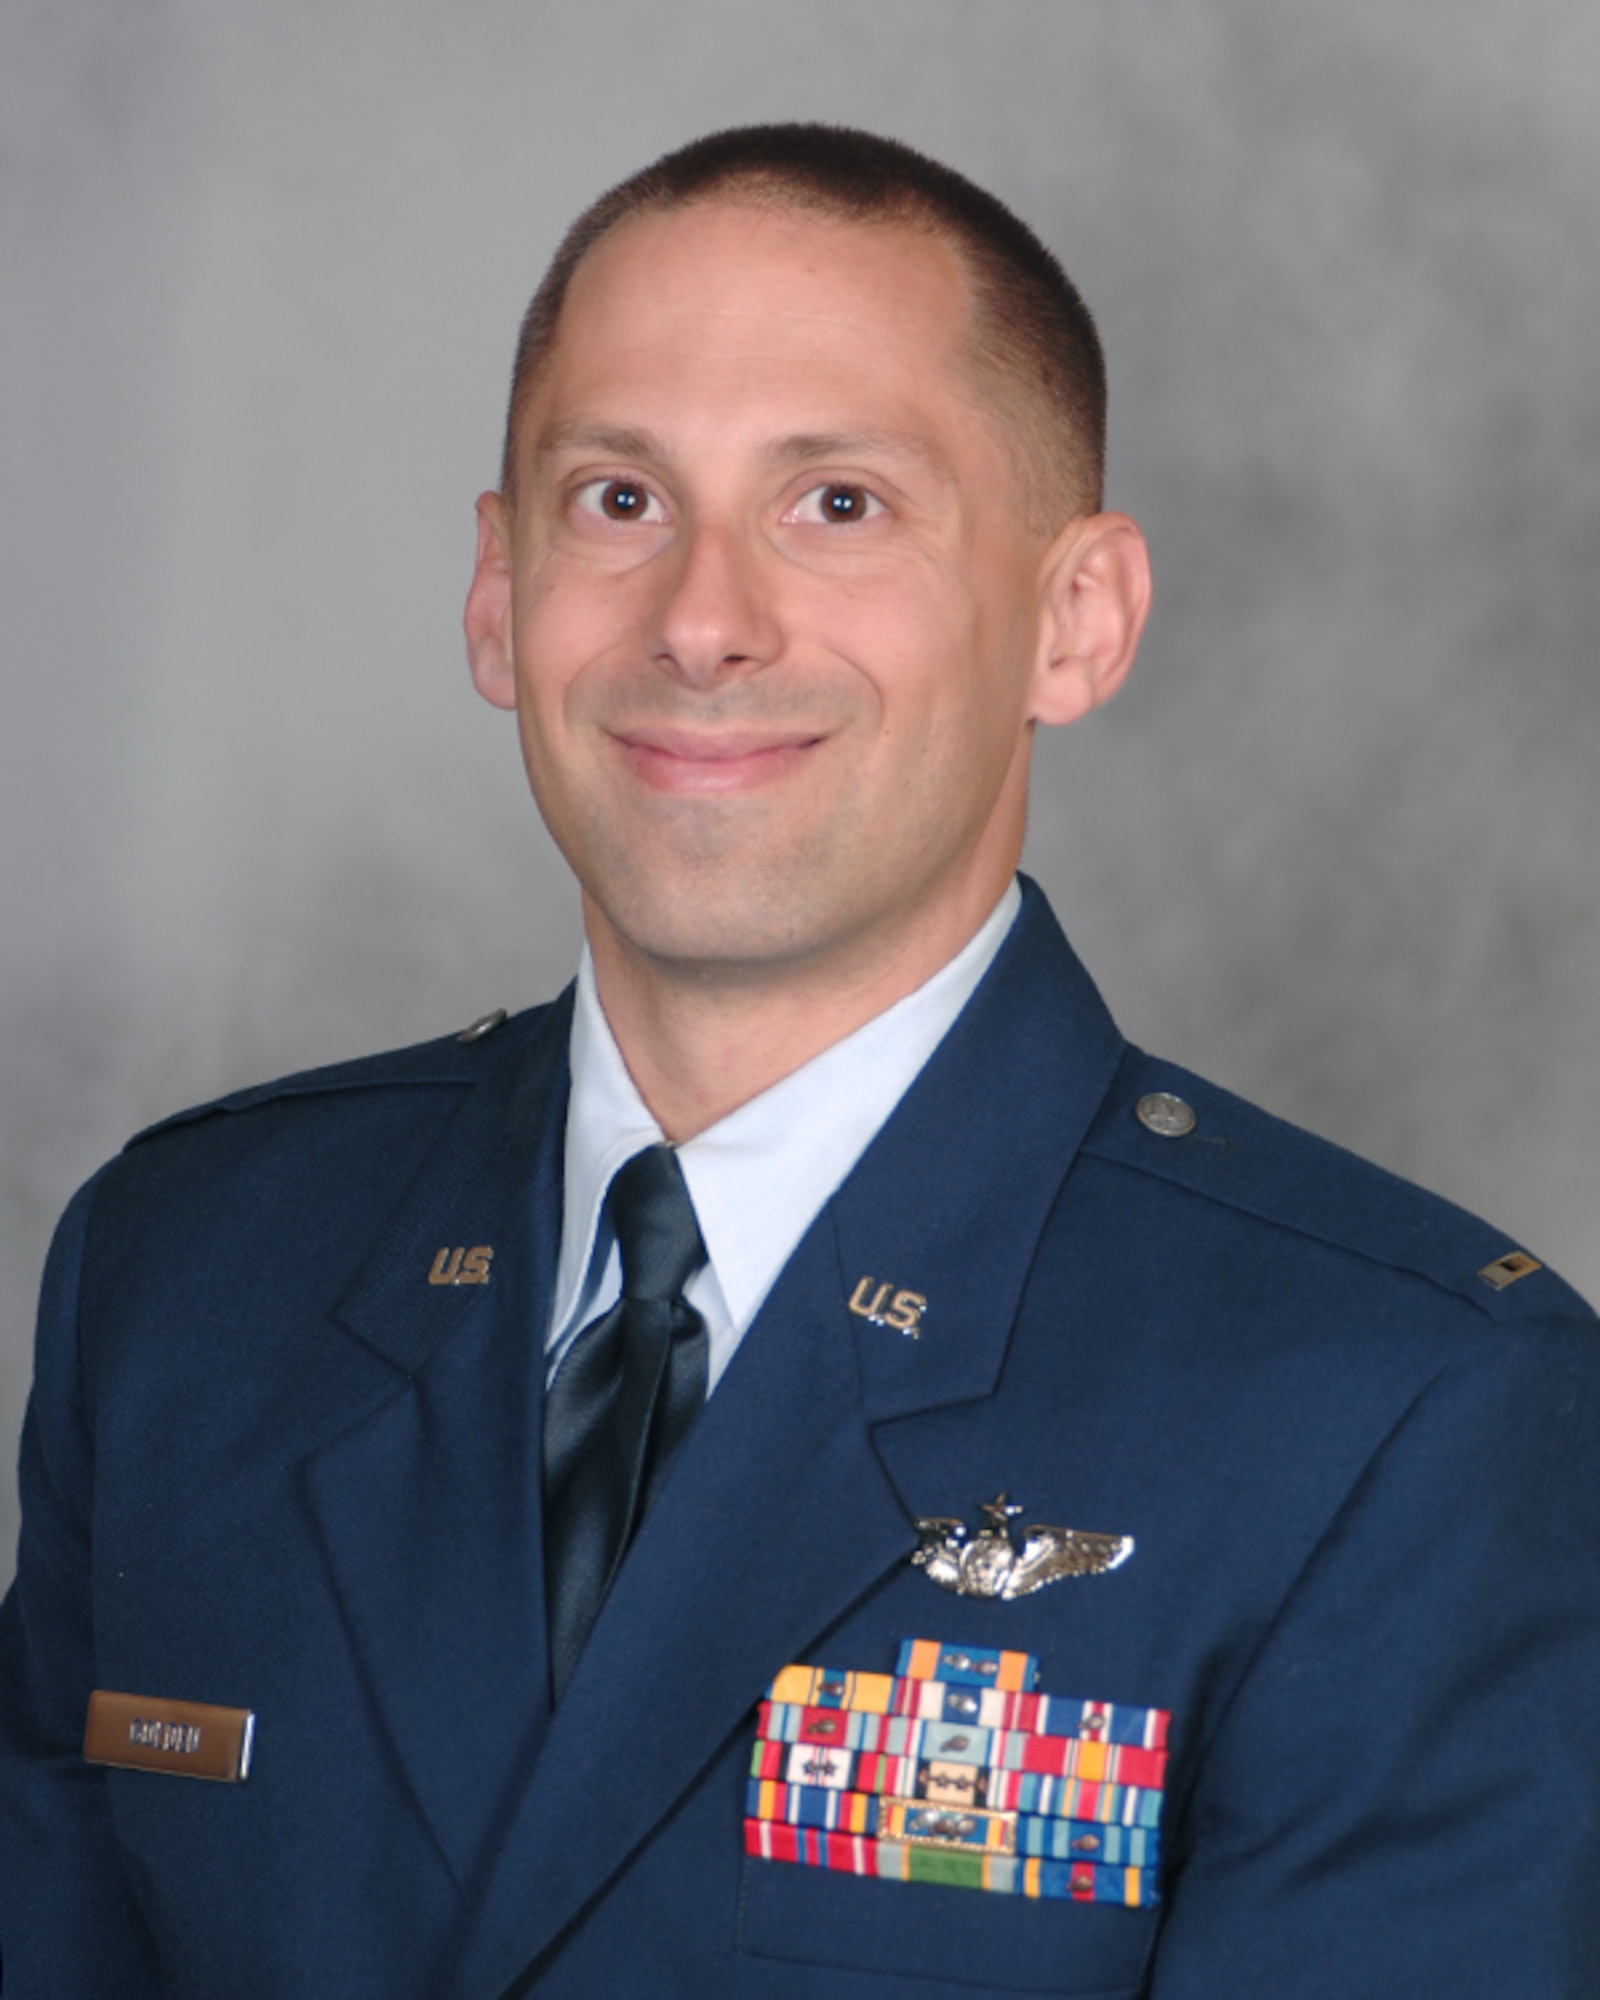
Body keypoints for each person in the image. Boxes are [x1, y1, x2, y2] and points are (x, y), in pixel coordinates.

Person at [2, 123, 1597, 2000]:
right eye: (618, 499)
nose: (701, 619)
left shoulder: (1401, 1408)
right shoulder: (192, 1275)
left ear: (1074, 623)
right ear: (498, 597)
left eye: (837, 504)